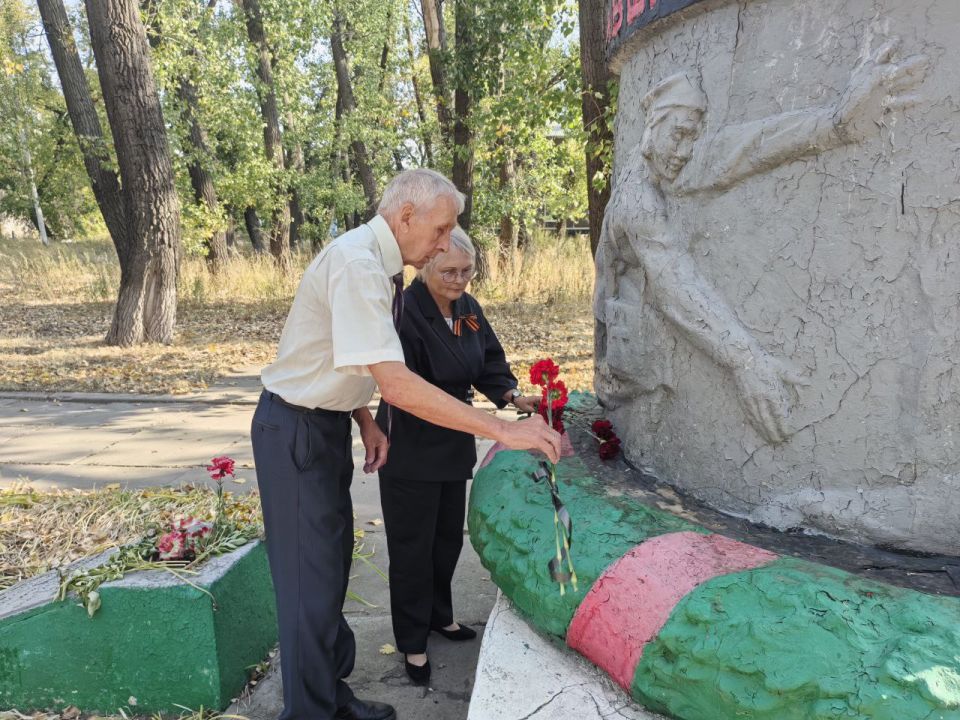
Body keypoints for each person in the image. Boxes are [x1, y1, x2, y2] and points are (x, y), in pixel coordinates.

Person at [251, 168, 561, 720]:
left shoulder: (379, 264)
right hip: (296, 430)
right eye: (441, 231)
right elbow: (396, 380)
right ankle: (309, 712)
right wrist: (503, 429)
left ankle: (330, 696)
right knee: (308, 587)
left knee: (327, 577)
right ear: (407, 216)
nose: (446, 243)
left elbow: (333, 355)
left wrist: (363, 417)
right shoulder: (359, 265)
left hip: (321, 425)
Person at [374, 227, 539, 685]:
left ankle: (439, 615)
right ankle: (411, 642)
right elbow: (404, 386)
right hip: (411, 440)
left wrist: (510, 394)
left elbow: (487, 359)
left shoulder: (467, 309)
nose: (460, 279)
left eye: (467, 270)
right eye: (449, 270)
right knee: (412, 548)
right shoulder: (405, 311)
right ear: (426, 266)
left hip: (454, 439)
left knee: (446, 538)